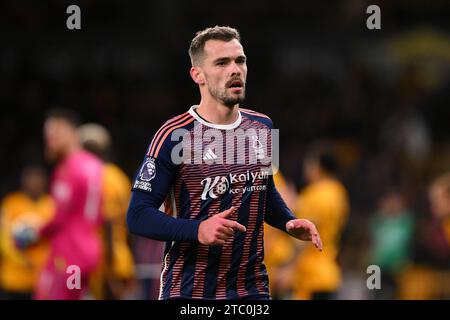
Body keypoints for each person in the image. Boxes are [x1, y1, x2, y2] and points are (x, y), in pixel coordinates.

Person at [126, 26, 322, 300]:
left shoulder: (262, 127)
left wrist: (287, 221)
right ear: (198, 75)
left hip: (251, 290)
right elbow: (137, 215)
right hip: (189, 291)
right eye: (221, 62)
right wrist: (197, 229)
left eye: (239, 61)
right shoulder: (174, 135)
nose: (235, 69)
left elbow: (261, 190)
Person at [15, 108, 104, 300]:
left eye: (53, 134)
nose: (49, 141)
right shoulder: (94, 165)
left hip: (70, 254)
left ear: (67, 130)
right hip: (89, 249)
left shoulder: (68, 170)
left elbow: (59, 219)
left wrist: (32, 235)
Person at [279, 143, 349, 300]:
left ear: (318, 165)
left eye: (309, 162)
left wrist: (289, 267)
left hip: (311, 276)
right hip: (329, 271)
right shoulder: (338, 192)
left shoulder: (316, 193)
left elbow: (306, 234)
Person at [77, 123, 136, 299]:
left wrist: (109, 272)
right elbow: (130, 224)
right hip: (120, 258)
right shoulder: (118, 175)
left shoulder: (101, 177)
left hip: (106, 265)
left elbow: (108, 224)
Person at [0, 166, 54, 299]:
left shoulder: (51, 205)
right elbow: (3, 238)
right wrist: (22, 259)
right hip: (13, 279)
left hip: (42, 281)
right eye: (31, 178)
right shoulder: (11, 203)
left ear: (45, 181)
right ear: (24, 180)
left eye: (38, 178)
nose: (34, 182)